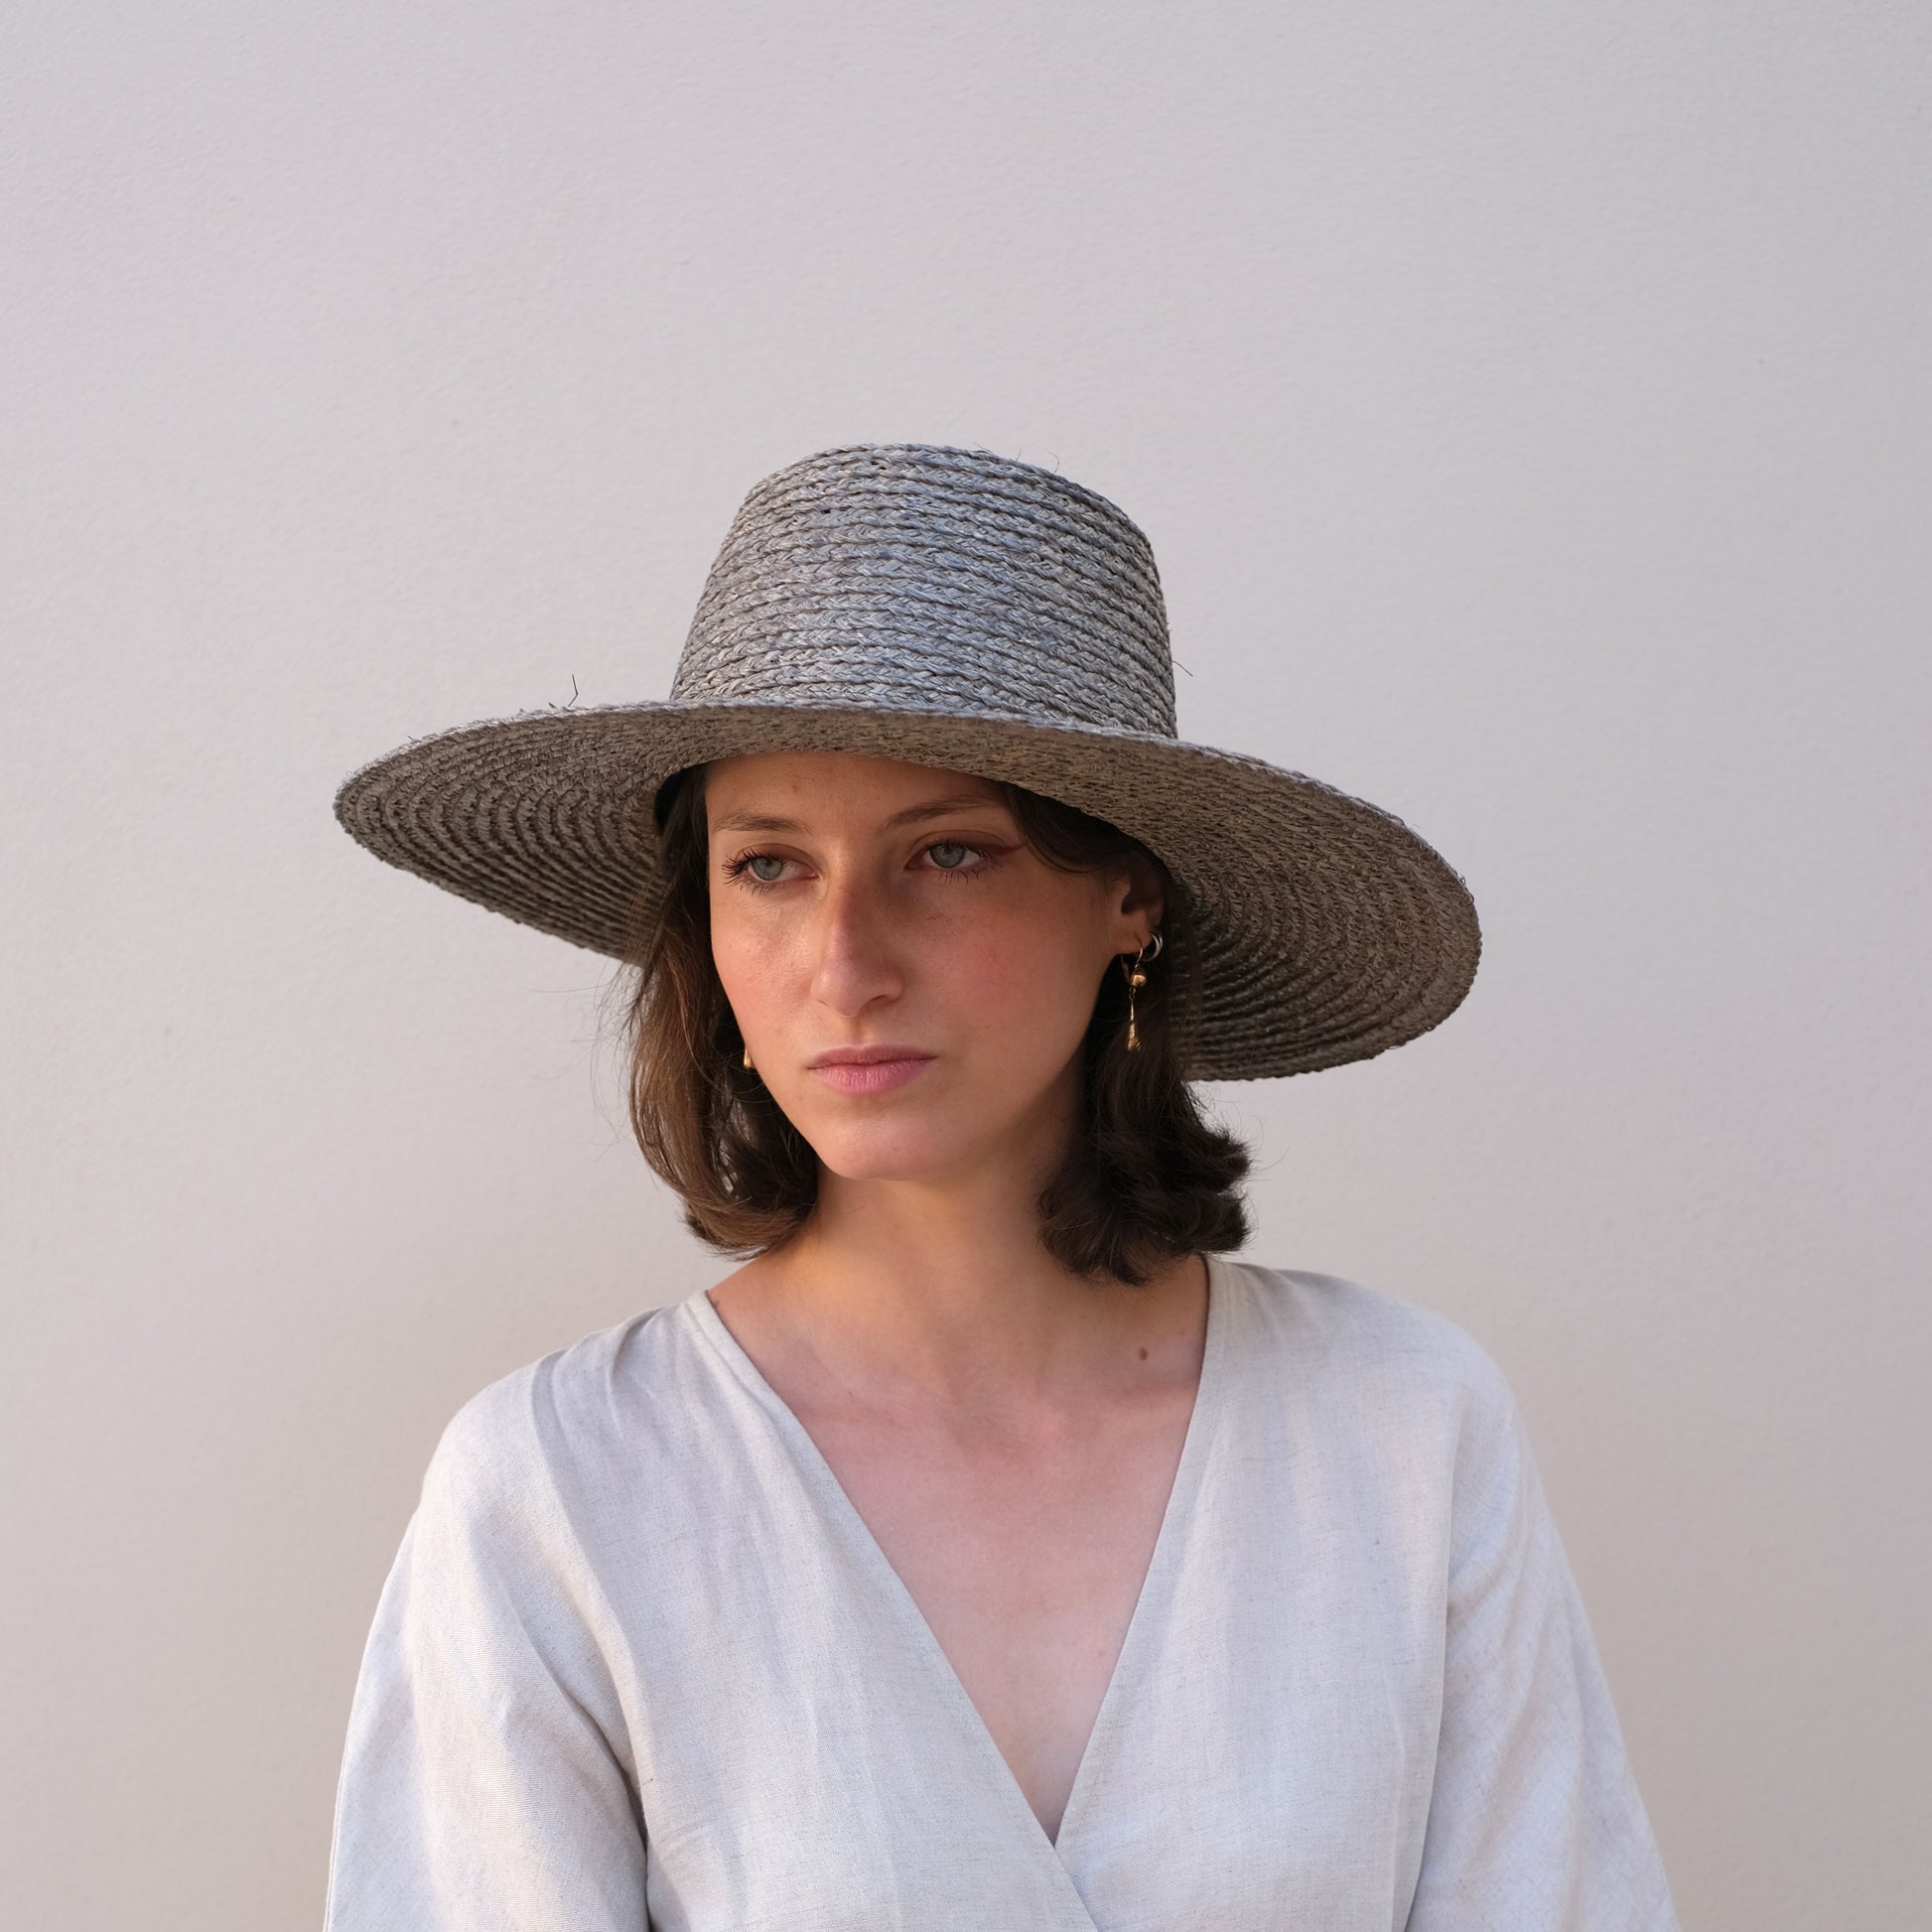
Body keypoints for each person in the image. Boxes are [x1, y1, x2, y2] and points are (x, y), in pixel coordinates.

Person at [323, 444, 1680, 1929]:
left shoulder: (1401, 1431)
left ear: (1129, 897)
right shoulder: (563, 1487)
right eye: (769, 866)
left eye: (949, 854)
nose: (845, 963)